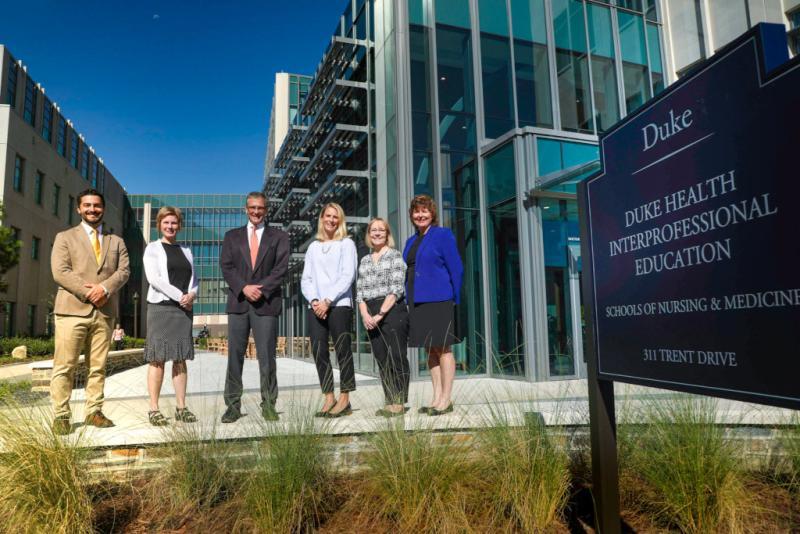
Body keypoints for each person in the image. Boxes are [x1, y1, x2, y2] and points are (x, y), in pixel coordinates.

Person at [50, 189, 130, 435]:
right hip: (71, 311)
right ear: (78, 208)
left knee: (98, 367)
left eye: (96, 205)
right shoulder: (64, 237)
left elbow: (124, 271)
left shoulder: (116, 241)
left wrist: (104, 289)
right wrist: (88, 293)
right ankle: (61, 415)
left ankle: (94, 411)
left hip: (104, 312)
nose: (92, 209)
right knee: (65, 366)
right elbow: (60, 271)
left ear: (103, 209)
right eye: (87, 205)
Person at [219, 192, 289, 423]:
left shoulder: (279, 236)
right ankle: (232, 406)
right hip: (238, 303)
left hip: (266, 304)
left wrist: (261, 289)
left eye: (260, 208)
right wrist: (244, 288)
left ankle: (269, 404)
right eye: (252, 208)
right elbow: (227, 267)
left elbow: (280, 269)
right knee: (235, 357)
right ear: (245, 209)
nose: (256, 212)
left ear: (266, 209)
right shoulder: (232, 236)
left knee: (268, 357)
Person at [402, 194, 463, 416]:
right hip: (418, 302)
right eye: (416, 211)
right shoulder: (410, 241)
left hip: (440, 299)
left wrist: (454, 299)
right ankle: (436, 397)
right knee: (430, 349)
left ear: (432, 213)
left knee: (443, 348)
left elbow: (456, 268)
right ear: (411, 215)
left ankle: (446, 399)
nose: (420, 215)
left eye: (424, 211)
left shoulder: (443, 235)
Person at [142, 206, 199, 426]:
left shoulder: (186, 250)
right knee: (157, 359)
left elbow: (195, 279)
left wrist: (192, 295)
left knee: (180, 358)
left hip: (183, 310)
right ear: (159, 225)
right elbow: (154, 278)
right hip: (161, 308)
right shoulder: (153, 249)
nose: (170, 226)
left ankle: (181, 407)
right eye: (166, 223)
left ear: (179, 225)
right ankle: (154, 408)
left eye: (174, 223)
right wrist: (180, 295)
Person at [301, 203, 357, 418]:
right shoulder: (314, 247)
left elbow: (347, 276)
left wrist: (328, 300)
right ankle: (329, 397)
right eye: (328, 216)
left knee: (343, 350)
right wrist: (315, 300)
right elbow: (306, 278)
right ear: (322, 218)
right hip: (316, 306)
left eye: (336, 217)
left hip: (339, 305)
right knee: (318, 350)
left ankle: (345, 399)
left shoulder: (347, 244)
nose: (332, 220)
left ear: (340, 220)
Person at [356, 218, 409, 417]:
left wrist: (379, 315)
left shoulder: (395, 256)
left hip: (392, 310)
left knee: (397, 356)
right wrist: (364, 315)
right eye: (373, 230)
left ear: (387, 234)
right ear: (369, 235)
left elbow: (396, 288)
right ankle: (389, 400)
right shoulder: (365, 260)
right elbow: (359, 291)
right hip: (370, 312)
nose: (377, 233)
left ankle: (400, 401)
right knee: (381, 357)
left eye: (381, 230)